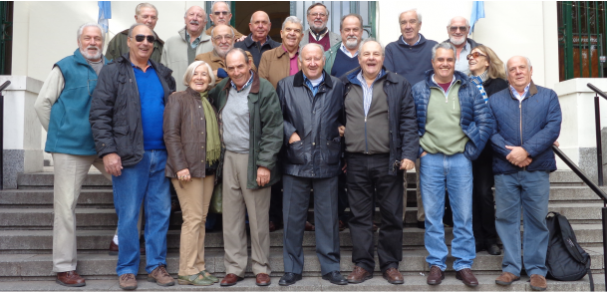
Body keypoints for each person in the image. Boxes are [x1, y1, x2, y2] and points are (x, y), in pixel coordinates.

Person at [90, 23, 176, 290]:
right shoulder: (113, 71)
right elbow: (99, 113)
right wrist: (108, 151)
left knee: (160, 213)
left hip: (161, 155)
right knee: (128, 214)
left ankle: (156, 265)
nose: (145, 42)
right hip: (128, 155)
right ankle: (126, 268)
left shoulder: (163, 73)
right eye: (139, 37)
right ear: (129, 41)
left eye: (150, 38)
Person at [411, 42, 493, 287]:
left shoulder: (469, 87)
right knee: (434, 215)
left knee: (463, 214)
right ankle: (436, 263)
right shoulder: (419, 89)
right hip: (431, 159)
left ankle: (463, 264)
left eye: (449, 59)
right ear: (433, 62)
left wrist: (471, 151)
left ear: (454, 61)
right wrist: (420, 151)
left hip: (460, 159)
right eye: (440, 60)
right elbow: (409, 122)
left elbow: (485, 121)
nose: (445, 64)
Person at [34, 23, 109, 288]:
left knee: (133, 188)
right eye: (87, 37)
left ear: (103, 41)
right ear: (79, 40)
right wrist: (60, 133)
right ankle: (64, 267)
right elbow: (41, 103)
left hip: (104, 147)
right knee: (65, 207)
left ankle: (122, 240)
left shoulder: (112, 68)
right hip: (70, 149)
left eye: (97, 38)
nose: (92, 42)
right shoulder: (64, 66)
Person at [341, 39, 418, 285]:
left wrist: (408, 154)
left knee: (392, 214)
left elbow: (408, 120)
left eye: (376, 54)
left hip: (389, 160)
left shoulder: (398, 83)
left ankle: (390, 264)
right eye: (367, 54)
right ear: (359, 58)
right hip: (354, 160)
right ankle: (363, 264)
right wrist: (338, 129)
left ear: (383, 58)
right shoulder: (345, 83)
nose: (371, 58)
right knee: (359, 216)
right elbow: (333, 114)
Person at [209, 48, 283, 287]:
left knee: (259, 218)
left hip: (254, 160)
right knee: (231, 218)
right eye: (230, 68)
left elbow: (273, 129)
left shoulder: (264, 89)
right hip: (228, 158)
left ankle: (261, 267)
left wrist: (265, 164)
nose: (236, 72)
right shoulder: (222, 89)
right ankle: (235, 267)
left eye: (240, 66)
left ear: (249, 64)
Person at [277, 43, 347, 286]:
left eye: (318, 58)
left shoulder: (337, 85)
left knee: (328, 218)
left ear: (323, 60)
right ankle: (292, 268)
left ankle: (330, 267)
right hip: (295, 159)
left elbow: (344, 117)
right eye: (308, 59)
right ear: (301, 61)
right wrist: (290, 134)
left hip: (327, 158)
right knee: (292, 219)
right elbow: (278, 117)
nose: (313, 62)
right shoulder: (285, 85)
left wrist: (339, 133)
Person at [489, 56, 562, 292]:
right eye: (513, 69)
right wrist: (511, 154)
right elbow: (490, 131)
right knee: (506, 219)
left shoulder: (548, 95)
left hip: (537, 167)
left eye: (522, 67)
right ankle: (510, 267)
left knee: (536, 221)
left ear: (531, 71)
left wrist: (526, 151)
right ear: (507, 74)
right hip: (505, 169)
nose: (518, 72)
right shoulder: (495, 100)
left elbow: (552, 127)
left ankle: (536, 271)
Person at [163, 60, 220, 286]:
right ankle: (187, 269)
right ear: (188, 77)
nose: (199, 77)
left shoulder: (209, 102)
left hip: (207, 169)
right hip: (186, 169)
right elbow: (171, 135)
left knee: (201, 219)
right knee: (193, 219)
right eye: (195, 74)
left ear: (209, 80)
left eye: (204, 74)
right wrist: (180, 166)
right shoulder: (178, 99)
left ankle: (199, 266)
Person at [385, 8, 437, 229]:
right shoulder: (391, 49)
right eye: (403, 22)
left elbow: (436, 78)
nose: (407, 26)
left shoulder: (433, 47)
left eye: (412, 22)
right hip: (398, 118)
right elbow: (391, 80)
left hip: (427, 120)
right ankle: (401, 217)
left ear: (419, 25)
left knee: (426, 171)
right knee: (401, 173)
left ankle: (425, 218)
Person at [467, 45, 508, 256]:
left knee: (483, 192)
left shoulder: (500, 85)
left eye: (476, 55)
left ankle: (491, 238)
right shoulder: (463, 84)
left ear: (487, 61)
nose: (471, 58)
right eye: (469, 55)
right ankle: (476, 238)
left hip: (490, 149)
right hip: (467, 147)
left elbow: (505, 115)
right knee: (470, 194)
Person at [162, 6, 213, 91]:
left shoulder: (213, 44)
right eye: (191, 14)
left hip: (205, 99)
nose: (195, 18)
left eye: (199, 16)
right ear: (185, 19)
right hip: (176, 99)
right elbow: (162, 74)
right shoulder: (170, 43)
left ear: (205, 23)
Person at [259, 16, 304, 88]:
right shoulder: (267, 56)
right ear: (281, 33)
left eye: (296, 31)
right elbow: (262, 87)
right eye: (288, 29)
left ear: (301, 36)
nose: (292, 33)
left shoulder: (307, 57)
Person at [324, 14, 364, 78]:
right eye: (347, 30)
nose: (351, 33)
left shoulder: (372, 54)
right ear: (341, 32)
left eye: (355, 29)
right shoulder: (328, 56)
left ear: (361, 32)